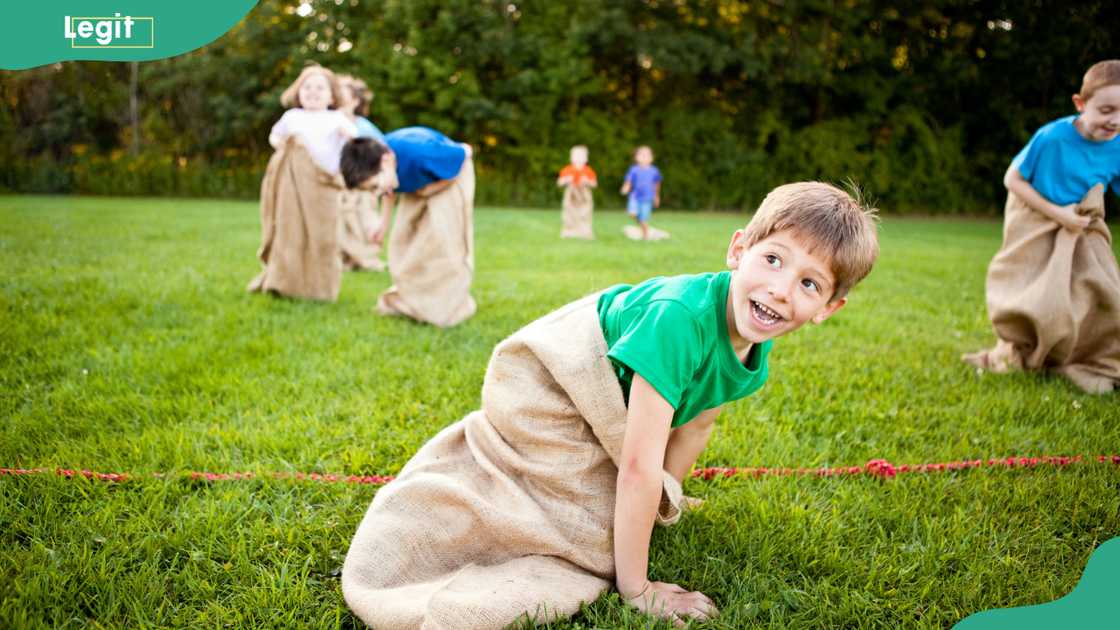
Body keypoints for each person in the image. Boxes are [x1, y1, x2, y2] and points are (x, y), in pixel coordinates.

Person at [340, 182, 879, 629]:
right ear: (738, 250)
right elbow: (638, 468)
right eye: (772, 260)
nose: (782, 289)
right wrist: (637, 587)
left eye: (809, 283)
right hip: (553, 383)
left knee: (634, 502)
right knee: (587, 519)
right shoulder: (679, 320)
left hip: (621, 381)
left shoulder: (752, 350)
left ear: (829, 307)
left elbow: (697, 421)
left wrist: (671, 495)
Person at [963, 59, 1120, 394]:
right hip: (1038, 218)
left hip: (1083, 226)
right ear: (1080, 103)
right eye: (1107, 109)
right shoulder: (1052, 137)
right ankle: (1025, 353)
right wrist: (1059, 215)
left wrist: (1076, 218)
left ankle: (1090, 360)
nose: (1115, 120)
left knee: (1106, 293)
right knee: (1041, 300)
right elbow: (1012, 179)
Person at [340, 128, 476, 327]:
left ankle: (447, 308)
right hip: (419, 184)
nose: (376, 193)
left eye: (374, 187)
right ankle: (412, 301)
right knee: (403, 241)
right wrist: (383, 224)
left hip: (451, 176)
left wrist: (432, 189)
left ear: (386, 161)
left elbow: (466, 152)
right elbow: (387, 190)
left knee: (442, 240)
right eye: (370, 190)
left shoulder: (420, 153)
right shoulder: (381, 162)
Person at [248, 64, 357, 301]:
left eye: (320, 88)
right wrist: (286, 146)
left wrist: (349, 138)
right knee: (290, 234)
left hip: (324, 186)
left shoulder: (336, 118)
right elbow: (274, 137)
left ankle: (321, 289)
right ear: (298, 92)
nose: (313, 92)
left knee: (324, 238)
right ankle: (286, 284)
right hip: (293, 187)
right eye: (307, 87)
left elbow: (354, 138)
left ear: (331, 95)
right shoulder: (292, 117)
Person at [335, 75, 388, 272]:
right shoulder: (329, 122)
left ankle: (365, 258)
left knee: (364, 219)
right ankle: (342, 258)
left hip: (363, 184)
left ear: (355, 101)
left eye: (344, 95)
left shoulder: (364, 126)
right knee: (341, 222)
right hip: (338, 182)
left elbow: (382, 150)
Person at [621, 145, 663, 241]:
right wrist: (625, 187)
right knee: (632, 213)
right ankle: (643, 226)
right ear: (636, 157)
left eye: (647, 155)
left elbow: (656, 184)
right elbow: (629, 181)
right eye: (641, 155)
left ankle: (645, 235)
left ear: (651, 158)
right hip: (634, 196)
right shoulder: (634, 169)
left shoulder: (654, 171)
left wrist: (656, 196)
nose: (644, 157)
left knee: (643, 219)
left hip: (647, 198)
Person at [557, 145, 598, 239]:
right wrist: (566, 180)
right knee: (569, 212)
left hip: (584, 194)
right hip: (571, 193)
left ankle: (585, 232)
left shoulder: (588, 170)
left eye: (581, 156)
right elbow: (559, 182)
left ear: (586, 159)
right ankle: (569, 230)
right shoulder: (567, 170)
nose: (578, 159)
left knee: (585, 212)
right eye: (576, 156)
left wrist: (588, 181)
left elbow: (594, 184)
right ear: (571, 158)